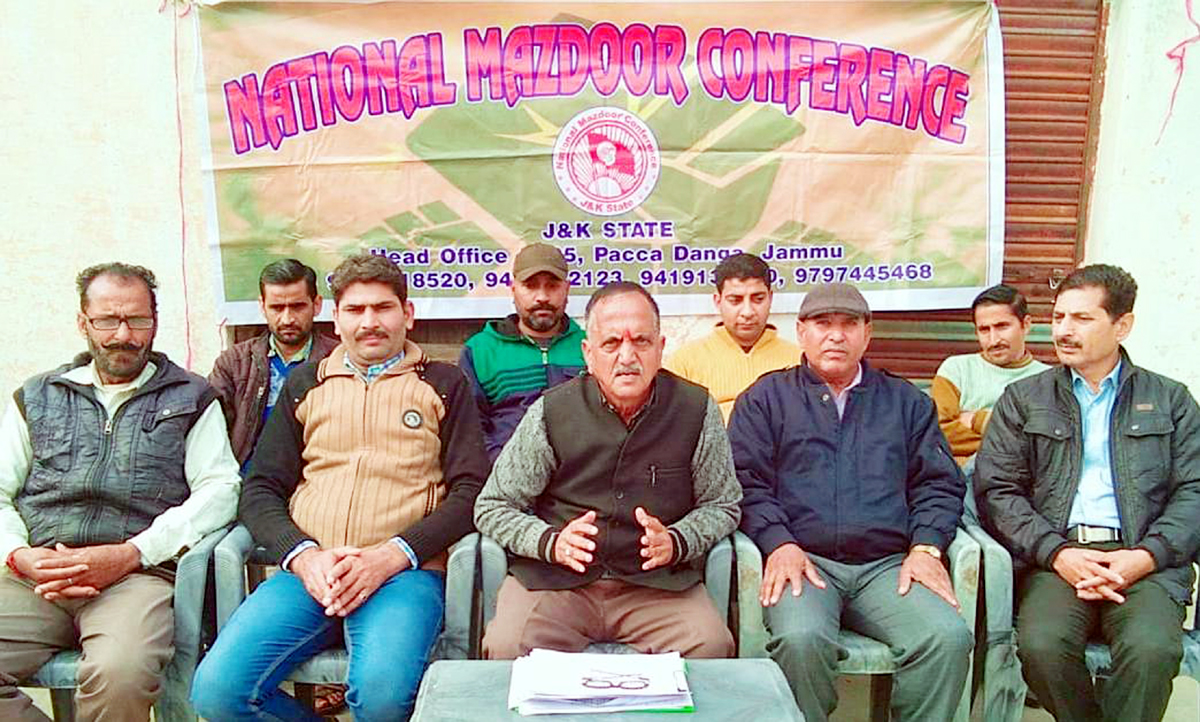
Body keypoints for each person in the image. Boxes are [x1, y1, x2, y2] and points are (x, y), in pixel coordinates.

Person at [191, 254, 488, 721]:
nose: (370, 322)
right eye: (355, 310)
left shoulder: (445, 384)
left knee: (382, 700)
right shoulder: (305, 385)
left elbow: (472, 490)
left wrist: (392, 555)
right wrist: (304, 556)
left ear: (407, 314)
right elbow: (261, 488)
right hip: (310, 573)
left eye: (383, 308)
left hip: (402, 575)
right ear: (336, 316)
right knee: (217, 692)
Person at [0, 263, 241, 722]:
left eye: (138, 320)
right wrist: (18, 555)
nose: (123, 335)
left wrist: (133, 552)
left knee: (121, 674)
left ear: (155, 320)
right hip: (38, 574)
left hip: (135, 578)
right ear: (83, 323)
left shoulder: (190, 397)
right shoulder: (38, 396)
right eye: (108, 320)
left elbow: (220, 489)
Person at [729, 282, 970, 722]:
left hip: (888, 566)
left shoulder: (906, 403)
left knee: (946, 638)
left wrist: (927, 546)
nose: (835, 336)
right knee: (801, 641)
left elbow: (938, 484)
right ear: (801, 332)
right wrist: (778, 542)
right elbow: (745, 482)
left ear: (867, 333)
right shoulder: (766, 399)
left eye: (848, 324)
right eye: (823, 324)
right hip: (805, 562)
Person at [975, 264, 1200, 722]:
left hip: (1145, 560)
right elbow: (998, 490)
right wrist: (1057, 553)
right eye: (1059, 318)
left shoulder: (1171, 400)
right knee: (1041, 646)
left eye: (1082, 319)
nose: (1064, 331)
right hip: (1057, 559)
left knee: (1152, 650)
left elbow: (1194, 490)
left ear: (1123, 325)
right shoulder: (1024, 399)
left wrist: (1146, 556)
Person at [475, 281, 741, 659]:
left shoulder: (695, 409)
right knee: (506, 646)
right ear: (588, 352)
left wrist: (678, 540)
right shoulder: (552, 411)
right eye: (612, 343)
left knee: (712, 645)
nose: (627, 356)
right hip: (558, 583)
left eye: (641, 342)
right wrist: (551, 542)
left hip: (656, 586)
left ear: (661, 347)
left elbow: (723, 504)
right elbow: (493, 506)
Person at [209, 258, 338, 471]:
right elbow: (211, 433)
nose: (287, 319)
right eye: (277, 308)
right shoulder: (234, 363)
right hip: (245, 483)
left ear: (316, 305)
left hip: (313, 483)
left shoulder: (337, 360)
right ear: (262, 306)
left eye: (297, 307)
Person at [459, 243, 585, 461]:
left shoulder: (589, 346)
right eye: (531, 286)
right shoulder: (481, 350)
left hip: (579, 479)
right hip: (505, 480)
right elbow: (470, 431)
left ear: (567, 288)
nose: (542, 297)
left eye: (552, 286)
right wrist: (504, 468)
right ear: (513, 289)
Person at [666, 252, 798, 423]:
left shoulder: (798, 361)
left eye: (758, 299)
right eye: (735, 300)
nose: (747, 312)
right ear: (718, 300)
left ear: (770, 298)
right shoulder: (685, 362)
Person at [932, 284, 1048, 465]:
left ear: (1026, 325)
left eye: (1002, 326)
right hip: (961, 479)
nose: (993, 340)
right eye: (984, 329)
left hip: (1020, 479)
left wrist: (979, 420)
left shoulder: (1048, 379)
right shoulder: (956, 370)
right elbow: (937, 434)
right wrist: (1012, 438)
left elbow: (1044, 445)